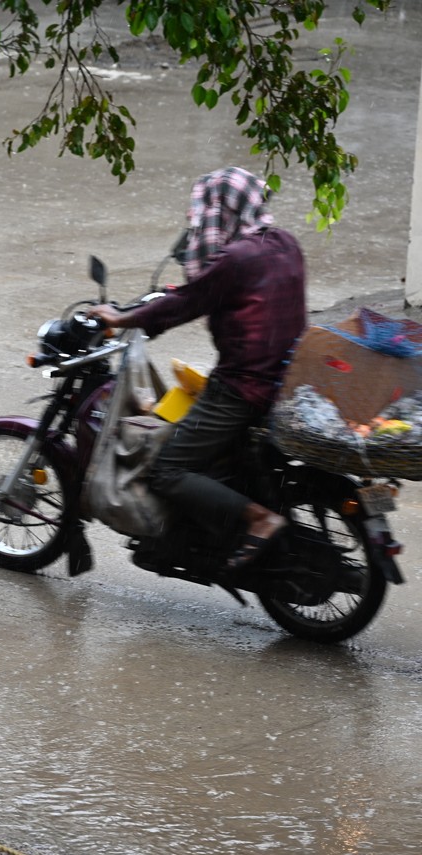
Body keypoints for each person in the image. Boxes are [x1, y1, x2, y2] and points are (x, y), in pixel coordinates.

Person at [88, 166, 307, 571]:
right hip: (288, 381)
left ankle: (259, 517)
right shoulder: (286, 244)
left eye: (203, 208)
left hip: (243, 387)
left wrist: (120, 319)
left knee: (166, 469)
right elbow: (213, 294)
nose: (196, 218)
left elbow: (183, 303)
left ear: (218, 208)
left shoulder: (236, 258)